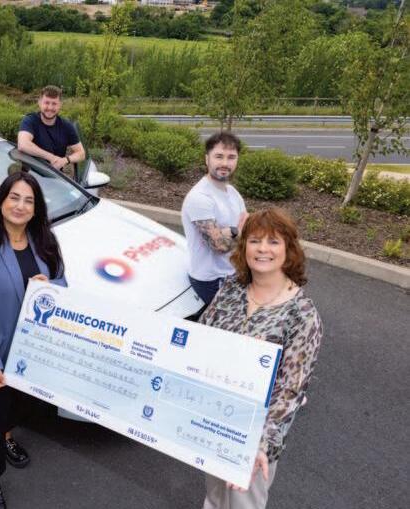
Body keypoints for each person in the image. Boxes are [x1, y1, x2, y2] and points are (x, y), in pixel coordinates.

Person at [199, 208, 323, 509]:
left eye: (273, 241)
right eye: (254, 241)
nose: (262, 249)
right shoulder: (231, 290)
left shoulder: (302, 315)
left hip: (254, 436)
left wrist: (261, 443)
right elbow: (201, 336)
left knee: (244, 503)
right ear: (245, 247)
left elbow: (290, 391)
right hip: (214, 418)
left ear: (289, 250)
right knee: (214, 497)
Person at [0, 171, 66, 509]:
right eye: (14, 197)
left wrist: (49, 286)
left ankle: (7, 436)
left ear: (37, 208)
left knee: (22, 404)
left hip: (30, 350)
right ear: (1, 201)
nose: (20, 206)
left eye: (29, 200)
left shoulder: (45, 241)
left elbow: (63, 285)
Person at [181, 132, 248, 308]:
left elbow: (247, 229)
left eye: (231, 157)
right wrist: (237, 231)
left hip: (233, 273)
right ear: (207, 159)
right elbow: (219, 246)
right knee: (232, 322)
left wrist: (229, 232)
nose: (225, 163)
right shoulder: (200, 197)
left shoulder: (233, 193)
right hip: (211, 280)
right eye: (219, 156)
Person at [17, 85, 86, 171]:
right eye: (47, 103)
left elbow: (81, 154)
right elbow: (23, 145)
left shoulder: (66, 126)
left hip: (54, 176)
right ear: (39, 103)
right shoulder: (30, 120)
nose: (50, 108)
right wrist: (52, 158)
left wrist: (65, 160)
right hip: (30, 176)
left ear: (60, 105)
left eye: (54, 104)